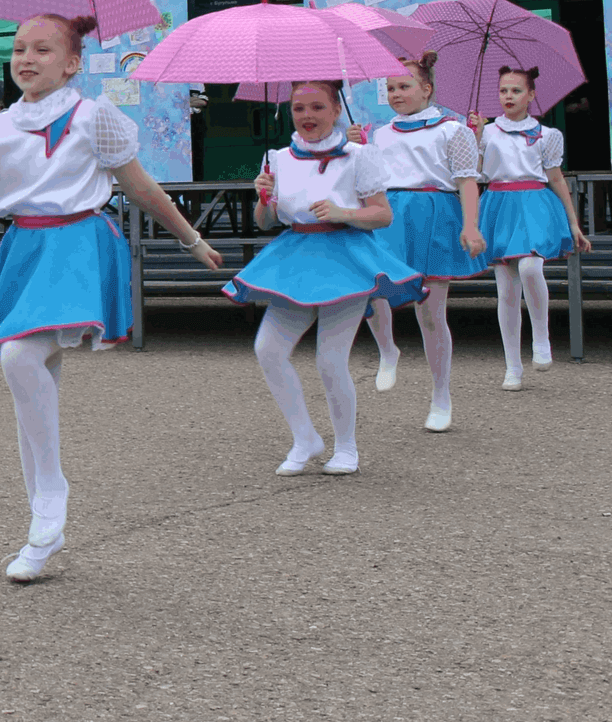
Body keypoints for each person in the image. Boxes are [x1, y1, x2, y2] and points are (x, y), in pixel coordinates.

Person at [0, 14, 222, 582]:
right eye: (18, 49)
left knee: (20, 356)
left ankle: (51, 494)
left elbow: (140, 187)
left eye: (42, 49)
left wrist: (192, 238)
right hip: (25, 250)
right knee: (31, 378)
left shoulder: (94, 115)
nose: (26, 58)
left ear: (72, 63)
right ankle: (42, 531)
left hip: (80, 243)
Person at [226, 79, 422, 478]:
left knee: (330, 360)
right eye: (299, 109)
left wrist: (342, 212)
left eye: (317, 107)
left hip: (345, 259)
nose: (308, 116)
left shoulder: (359, 156)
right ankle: (305, 438)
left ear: (335, 111)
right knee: (267, 349)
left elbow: (382, 214)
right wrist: (263, 198)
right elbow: (267, 222)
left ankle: (346, 447)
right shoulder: (276, 158)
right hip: (295, 257)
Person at [356, 54, 486, 431]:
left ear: (426, 89)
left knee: (430, 312)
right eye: (391, 87)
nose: (396, 93)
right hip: (389, 216)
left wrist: (471, 226)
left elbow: (467, 181)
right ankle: (387, 350)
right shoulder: (378, 133)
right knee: (370, 291)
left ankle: (441, 396)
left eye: (404, 86)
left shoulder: (452, 129)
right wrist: (356, 148)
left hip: (434, 217)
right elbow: (366, 181)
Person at [474, 65, 591, 390]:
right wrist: (474, 136)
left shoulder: (547, 135)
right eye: (503, 90)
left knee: (529, 267)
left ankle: (542, 337)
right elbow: (477, 174)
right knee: (506, 291)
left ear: (531, 95)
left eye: (516, 90)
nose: (508, 96)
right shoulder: (486, 131)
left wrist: (573, 222)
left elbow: (555, 177)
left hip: (535, 204)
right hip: (498, 204)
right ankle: (513, 366)